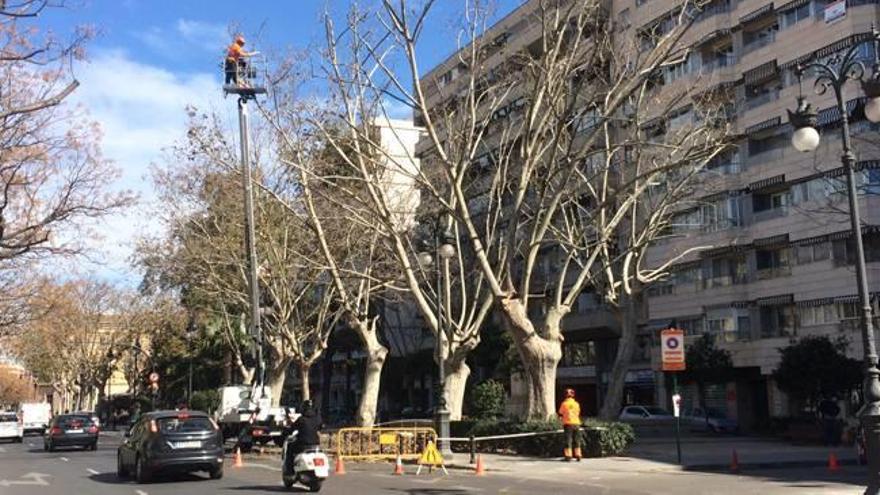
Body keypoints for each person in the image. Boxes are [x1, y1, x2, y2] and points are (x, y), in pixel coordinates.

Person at [558, 388, 582, 461]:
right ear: (573, 395)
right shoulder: (576, 404)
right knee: (577, 440)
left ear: (565, 395)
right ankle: (578, 455)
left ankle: (568, 456)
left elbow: (560, 413)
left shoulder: (564, 404)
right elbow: (578, 413)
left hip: (568, 424)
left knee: (568, 440)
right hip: (576, 423)